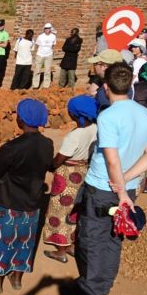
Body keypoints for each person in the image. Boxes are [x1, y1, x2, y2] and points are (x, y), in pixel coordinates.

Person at [69, 63, 147, 295]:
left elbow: (111, 158)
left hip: (103, 187)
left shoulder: (108, 116)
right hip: (128, 186)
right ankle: (104, 283)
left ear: (106, 86)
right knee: (114, 235)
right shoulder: (145, 114)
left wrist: (119, 189)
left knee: (93, 237)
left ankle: (91, 289)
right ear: (130, 86)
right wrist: (128, 182)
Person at [0, 99, 53, 293]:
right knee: (24, 240)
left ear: (21, 120)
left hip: (7, 201)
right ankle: (17, 278)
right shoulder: (48, 144)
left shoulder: (11, 148)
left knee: (1, 240)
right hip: (32, 202)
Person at [42, 96, 98, 263]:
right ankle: (72, 244)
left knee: (59, 211)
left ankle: (61, 250)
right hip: (84, 171)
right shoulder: (95, 128)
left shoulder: (74, 136)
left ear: (74, 115)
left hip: (67, 174)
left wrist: (50, 166)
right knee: (74, 210)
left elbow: (59, 159)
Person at [32, 23, 57, 89]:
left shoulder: (53, 36)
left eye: (48, 28)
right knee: (37, 70)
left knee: (47, 71)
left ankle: (46, 85)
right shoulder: (40, 36)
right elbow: (37, 45)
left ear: (50, 29)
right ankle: (35, 85)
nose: (46, 30)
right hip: (40, 54)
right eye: (45, 28)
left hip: (49, 55)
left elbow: (53, 45)